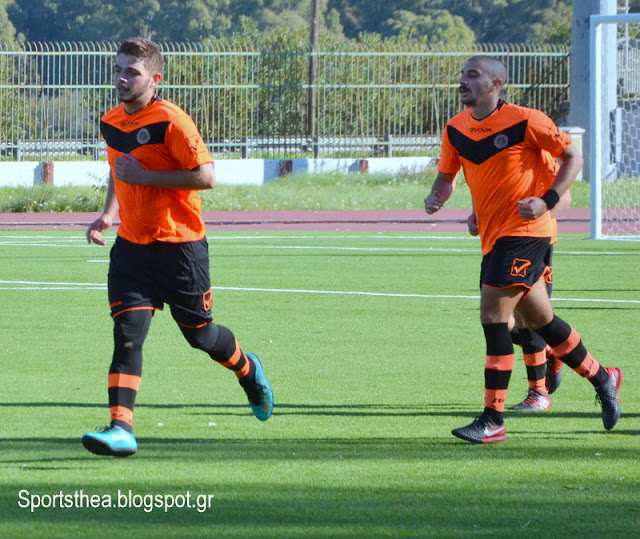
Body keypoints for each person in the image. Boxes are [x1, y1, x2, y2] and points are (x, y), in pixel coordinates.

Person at [82, 37, 273, 457]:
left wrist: (145, 177)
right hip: (132, 249)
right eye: (118, 69)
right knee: (128, 336)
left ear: (154, 79)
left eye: (132, 72)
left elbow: (206, 177)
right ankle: (121, 428)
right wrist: (109, 214)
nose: (121, 78)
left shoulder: (173, 121)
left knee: (201, 336)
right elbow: (119, 169)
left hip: (181, 248)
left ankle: (247, 369)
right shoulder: (111, 121)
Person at [425, 55, 622, 443]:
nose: (463, 80)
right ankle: (603, 377)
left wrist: (547, 201)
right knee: (540, 322)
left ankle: (493, 419)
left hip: (526, 233)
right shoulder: (455, 127)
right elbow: (446, 176)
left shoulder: (527, 120)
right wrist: (437, 196)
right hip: (495, 237)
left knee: (494, 317)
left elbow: (573, 157)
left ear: (496, 84)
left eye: (473, 75)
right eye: (462, 74)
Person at [468, 182, 570, 412]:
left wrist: (536, 220)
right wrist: (476, 214)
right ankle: (551, 350)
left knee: (529, 320)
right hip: (498, 243)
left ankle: (539, 392)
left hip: (532, 243)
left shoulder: (537, 160)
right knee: (499, 320)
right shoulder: (489, 162)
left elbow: (565, 196)